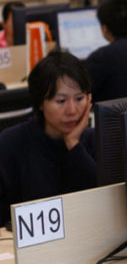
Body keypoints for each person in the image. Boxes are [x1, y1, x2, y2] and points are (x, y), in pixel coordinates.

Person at [0, 51, 96, 226]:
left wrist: (73, 145)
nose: (72, 110)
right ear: (40, 103)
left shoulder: (95, 141)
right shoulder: (11, 144)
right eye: (61, 101)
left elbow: (100, 201)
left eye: (79, 98)